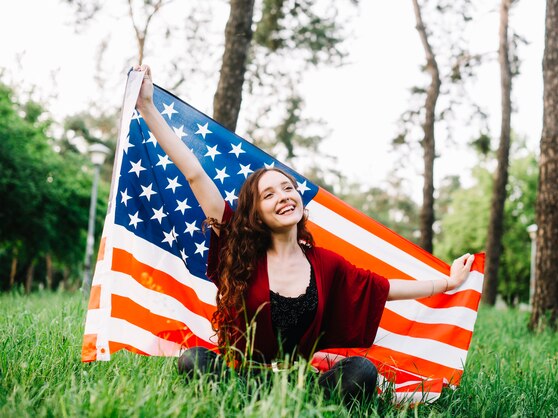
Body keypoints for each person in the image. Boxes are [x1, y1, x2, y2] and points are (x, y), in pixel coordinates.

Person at [133, 64, 475, 403]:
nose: (283, 196)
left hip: (301, 386)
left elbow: (382, 289)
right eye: (269, 194)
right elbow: (194, 174)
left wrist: (447, 283)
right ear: (256, 214)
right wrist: (147, 106)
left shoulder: (325, 265)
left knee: (362, 372)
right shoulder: (238, 251)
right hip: (242, 382)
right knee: (194, 359)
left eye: (287, 188)